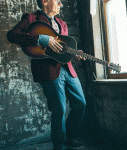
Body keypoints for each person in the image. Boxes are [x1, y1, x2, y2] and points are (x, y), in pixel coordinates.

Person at [7, 0, 86, 150]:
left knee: (80, 104)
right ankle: (59, 146)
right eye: (57, 0)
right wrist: (41, 39)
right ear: (44, 1)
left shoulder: (62, 24)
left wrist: (73, 55)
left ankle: (69, 138)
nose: (60, 4)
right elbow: (12, 35)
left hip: (68, 70)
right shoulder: (31, 19)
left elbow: (62, 50)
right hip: (48, 70)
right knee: (59, 109)